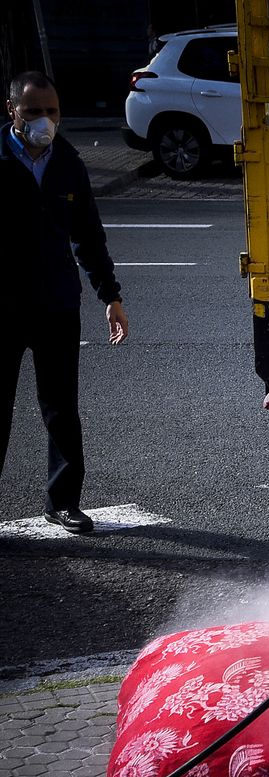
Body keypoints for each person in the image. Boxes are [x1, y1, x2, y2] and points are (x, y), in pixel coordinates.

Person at [0, 71, 129, 535]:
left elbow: (88, 235)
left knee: (61, 408)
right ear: (11, 110)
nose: (44, 120)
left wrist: (110, 295)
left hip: (56, 304)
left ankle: (64, 502)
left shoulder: (69, 161)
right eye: (33, 111)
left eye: (51, 111)